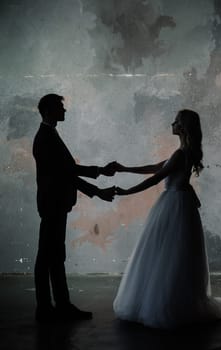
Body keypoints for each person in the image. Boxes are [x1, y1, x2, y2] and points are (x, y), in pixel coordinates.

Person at [112, 109, 221, 329]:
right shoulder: (184, 152)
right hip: (182, 204)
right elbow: (155, 168)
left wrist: (126, 192)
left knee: (168, 254)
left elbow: (156, 178)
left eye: (175, 121)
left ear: (182, 127)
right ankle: (178, 299)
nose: (172, 124)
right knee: (176, 256)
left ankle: (167, 304)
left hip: (173, 204)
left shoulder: (180, 154)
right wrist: (124, 168)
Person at [33, 93, 116, 323]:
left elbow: (67, 170)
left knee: (53, 256)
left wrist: (99, 172)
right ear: (49, 111)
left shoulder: (47, 135)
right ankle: (52, 308)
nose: (65, 111)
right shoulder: (46, 138)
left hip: (54, 205)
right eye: (61, 107)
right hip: (53, 205)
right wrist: (98, 188)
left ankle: (55, 307)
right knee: (49, 257)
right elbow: (67, 174)